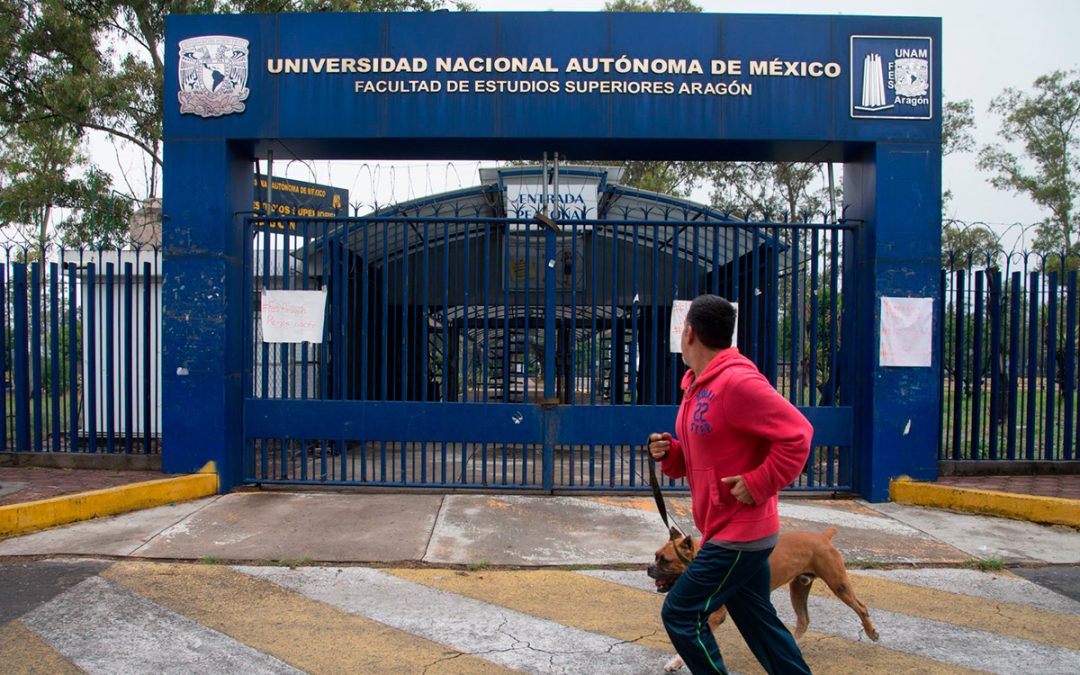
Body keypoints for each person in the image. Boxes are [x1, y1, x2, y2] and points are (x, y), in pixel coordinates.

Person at [648, 294, 813, 675]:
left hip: (740, 535)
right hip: (726, 530)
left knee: (680, 612)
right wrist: (671, 453)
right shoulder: (697, 386)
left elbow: (799, 434)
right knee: (761, 624)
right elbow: (708, 454)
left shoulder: (737, 382)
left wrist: (760, 482)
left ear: (689, 332)